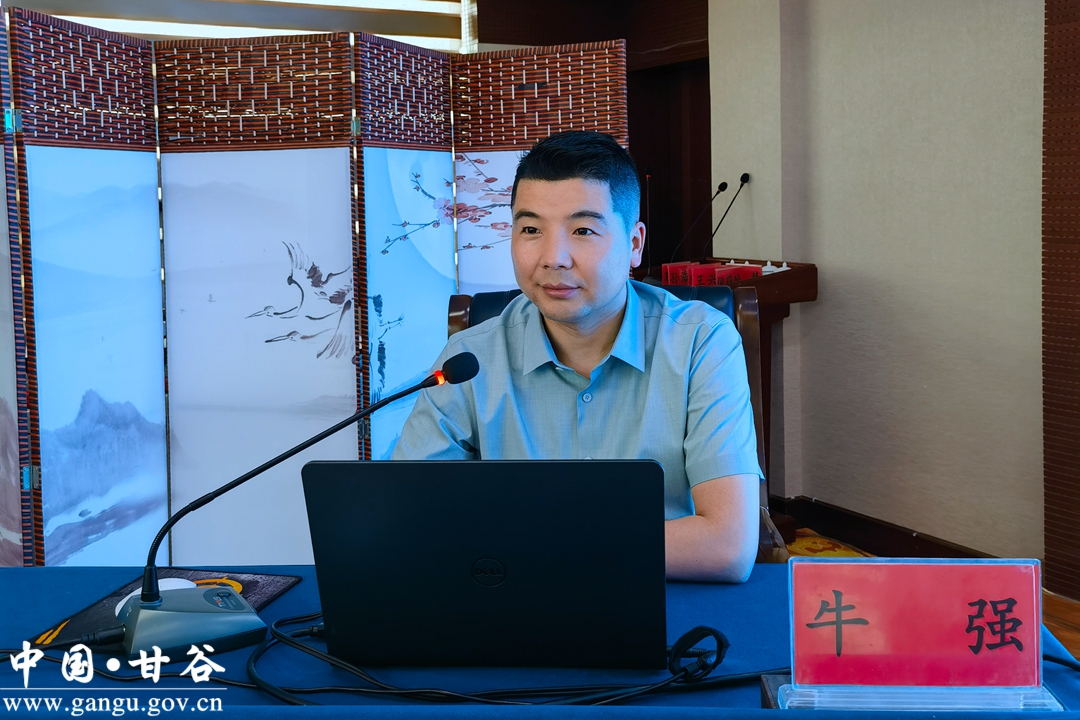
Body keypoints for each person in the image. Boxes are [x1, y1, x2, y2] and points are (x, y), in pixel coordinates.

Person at [392, 130, 762, 583]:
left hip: (668, 598)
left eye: (583, 230)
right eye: (531, 230)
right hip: (514, 603)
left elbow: (727, 546)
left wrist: (532, 545)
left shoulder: (701, 342)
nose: (554, 258)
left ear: (634, 244)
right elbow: (410, 520)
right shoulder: (468, 360)